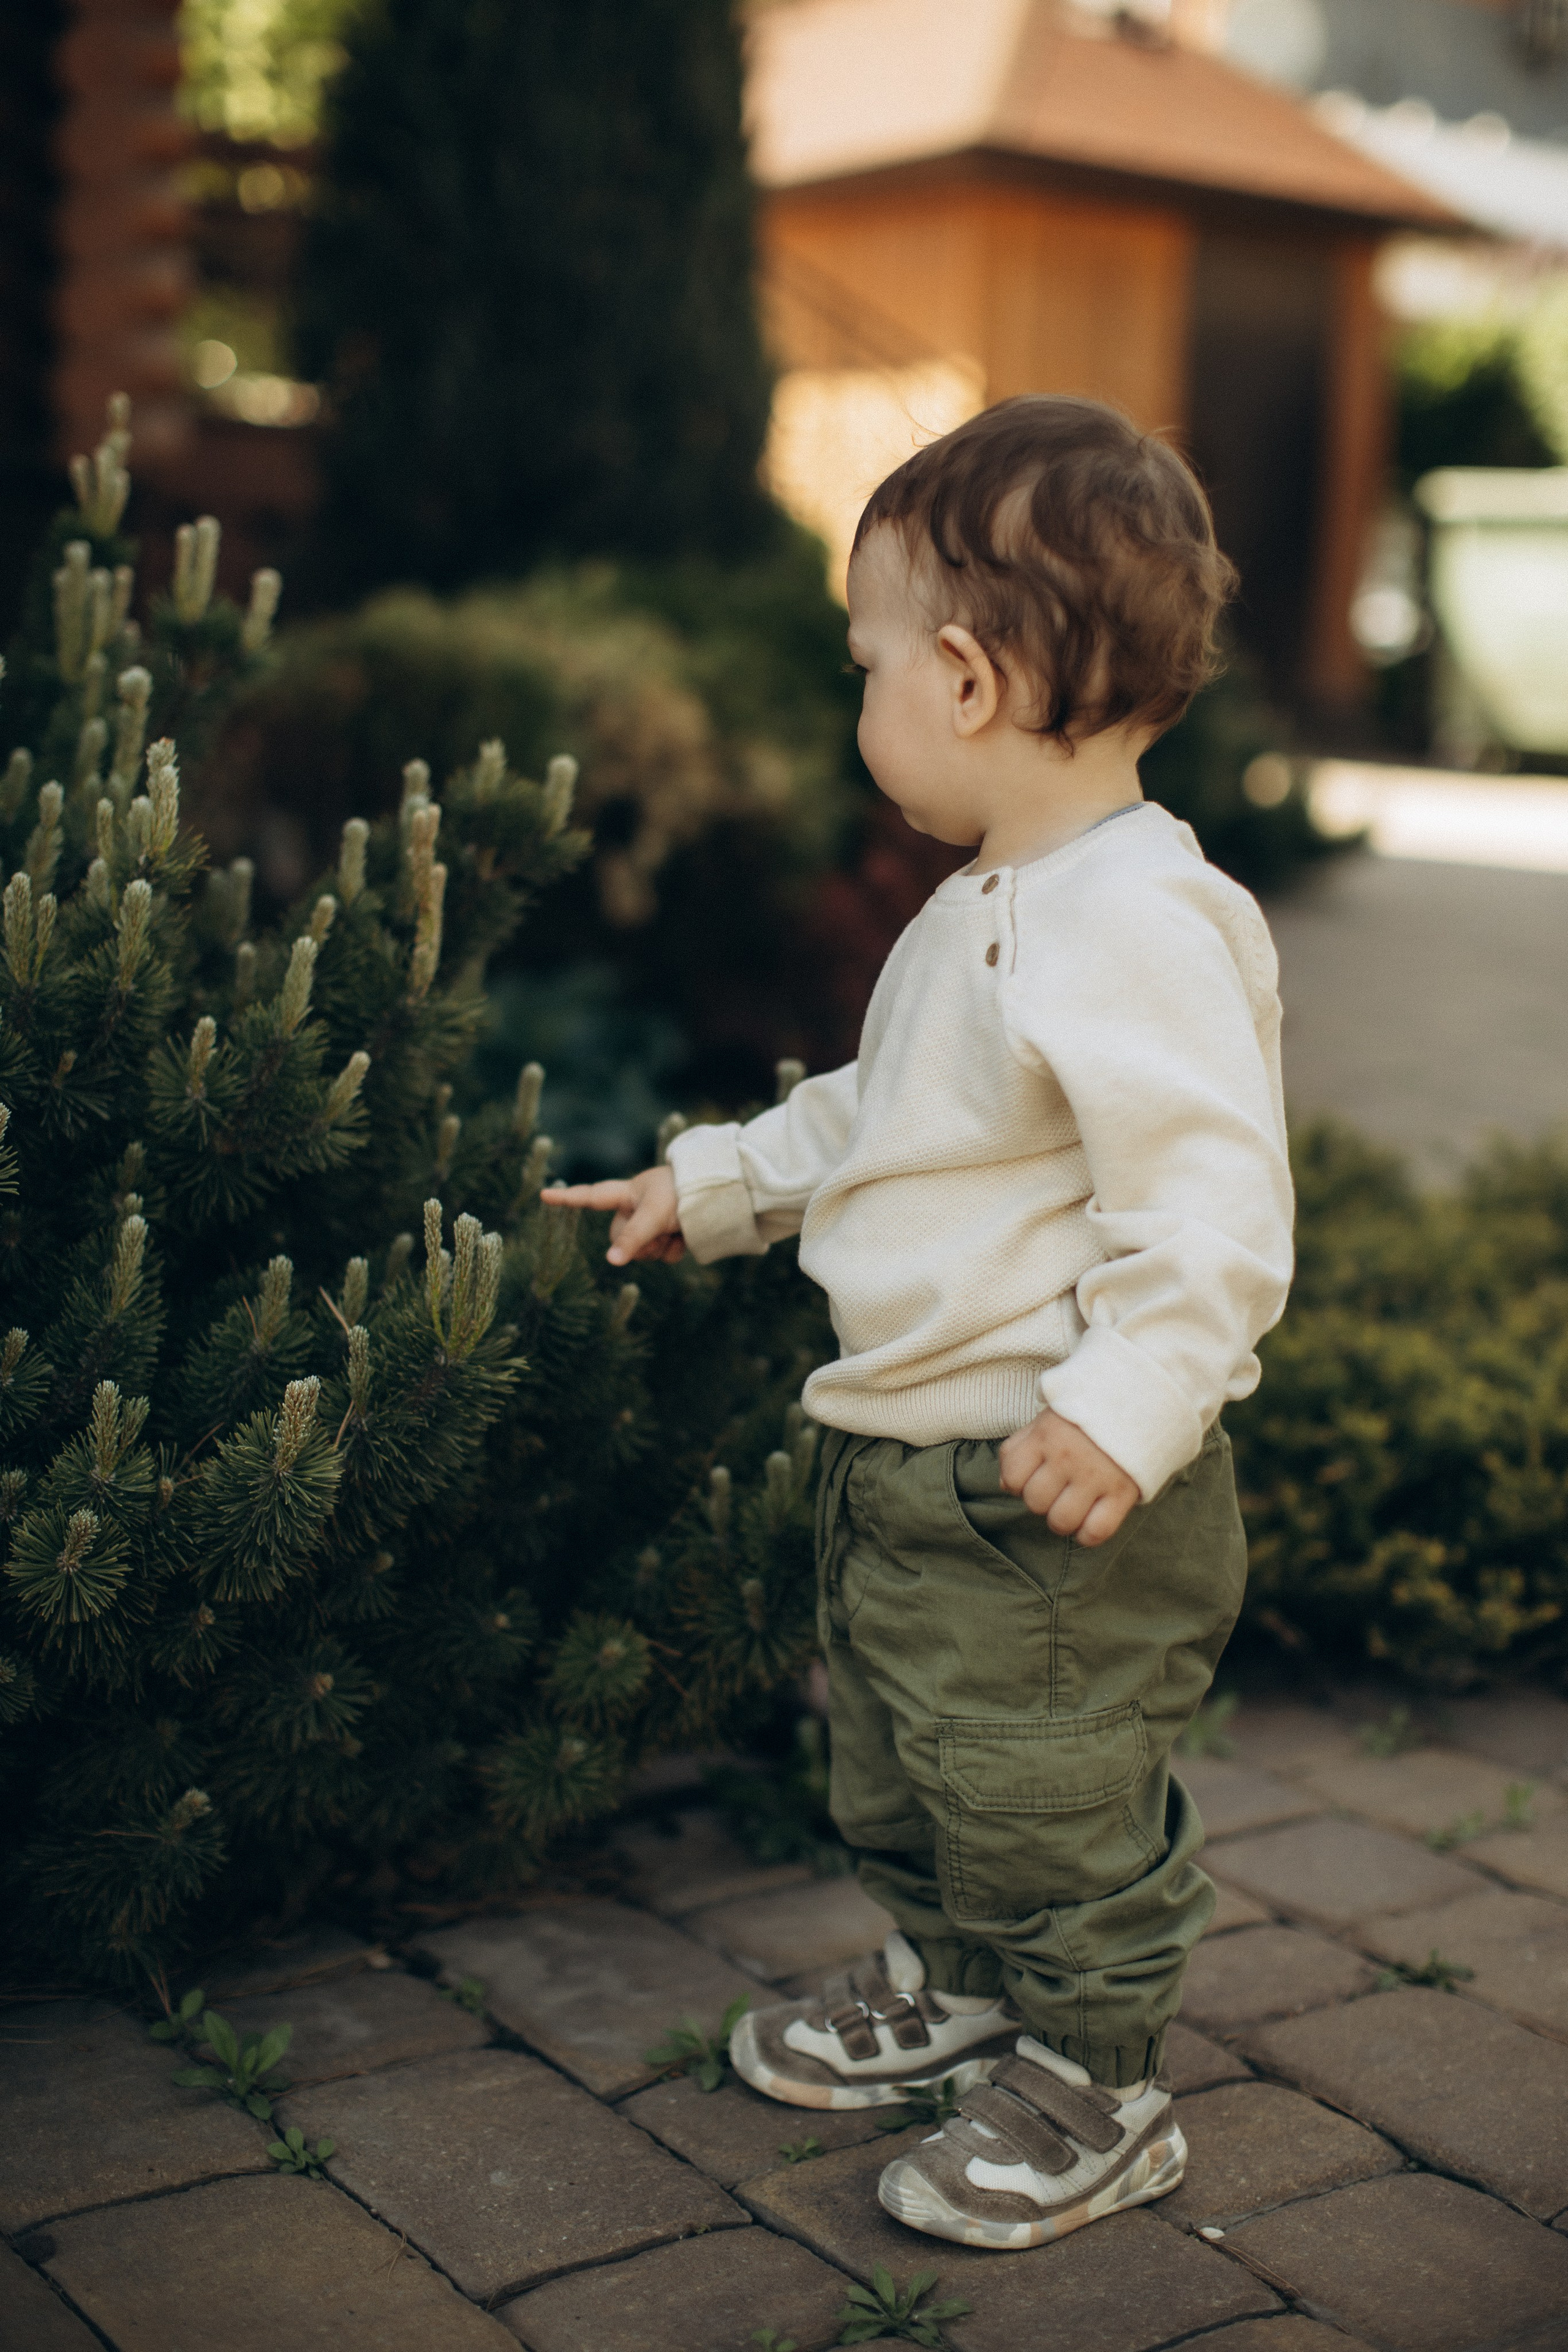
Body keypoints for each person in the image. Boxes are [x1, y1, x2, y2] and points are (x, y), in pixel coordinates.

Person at [543, 394, 1292, 2251]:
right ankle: (965, 1983)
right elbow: (889, 1120)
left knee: (1045, 1800)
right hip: (909, 1468)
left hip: (1039, 1490)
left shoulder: (1136, 918)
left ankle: (1103, 2081)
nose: (857, 699)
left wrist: (1127, 1408)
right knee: (903, 1764)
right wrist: (717, 1182)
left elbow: (1211, 1208)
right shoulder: (992, 905)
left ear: (961, 680)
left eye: (865, 663)